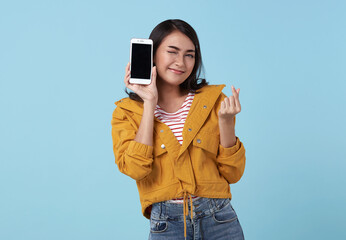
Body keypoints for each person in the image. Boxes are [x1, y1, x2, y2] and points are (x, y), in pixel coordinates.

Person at [111, 19, 246, 240]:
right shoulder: (126, 112)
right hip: (167, 223)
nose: (181, 62)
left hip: (219, 219)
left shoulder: (213, 100)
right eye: (172, 52)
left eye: (189, 55)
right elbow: (136, 169)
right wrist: (149, 104)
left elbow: (234, 173)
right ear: (153, 54)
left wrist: (227, 123)